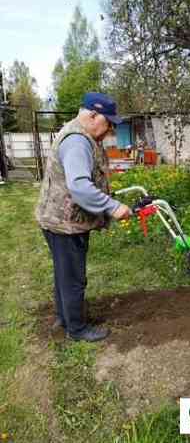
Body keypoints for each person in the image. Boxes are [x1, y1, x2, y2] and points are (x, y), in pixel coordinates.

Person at [35, 92, 132, 342]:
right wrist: (112, 207)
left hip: (57, 218)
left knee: (64, 274)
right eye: (108, 122)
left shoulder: (79, 133)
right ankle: (76, 329)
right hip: (65, 223)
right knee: (74, 278)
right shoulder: (78, 141)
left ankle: (64, 316)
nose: (110, 129)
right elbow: (79, 187)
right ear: (92, 115)